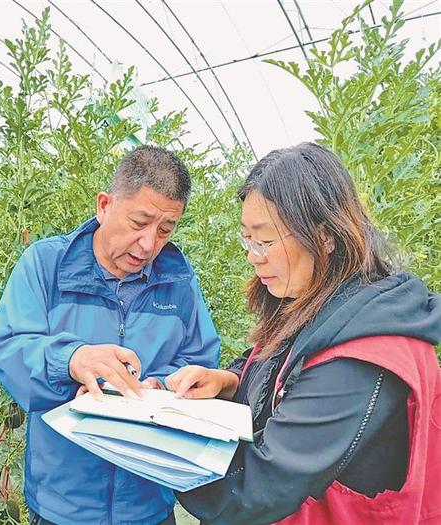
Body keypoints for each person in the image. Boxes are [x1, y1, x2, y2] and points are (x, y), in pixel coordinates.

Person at [166, 142, 440, 525]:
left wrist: (155, 448)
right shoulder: (321, 306)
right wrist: (227, 381)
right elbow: (275, 365)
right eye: (247, 239)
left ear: (326, 236)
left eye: (265, 239)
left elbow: (258, 490)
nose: (253, 255)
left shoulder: (362, 356)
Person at [0, 145, 221, 524]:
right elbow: (10, 349)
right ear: (104, 205)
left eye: (165, 229)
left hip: (147, 499)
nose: (149, 244)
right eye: (138, 222)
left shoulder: (178, 280)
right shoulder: (47, 265)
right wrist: (72, 360)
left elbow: (200, 359)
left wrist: (160, 387)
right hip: (64, 502)